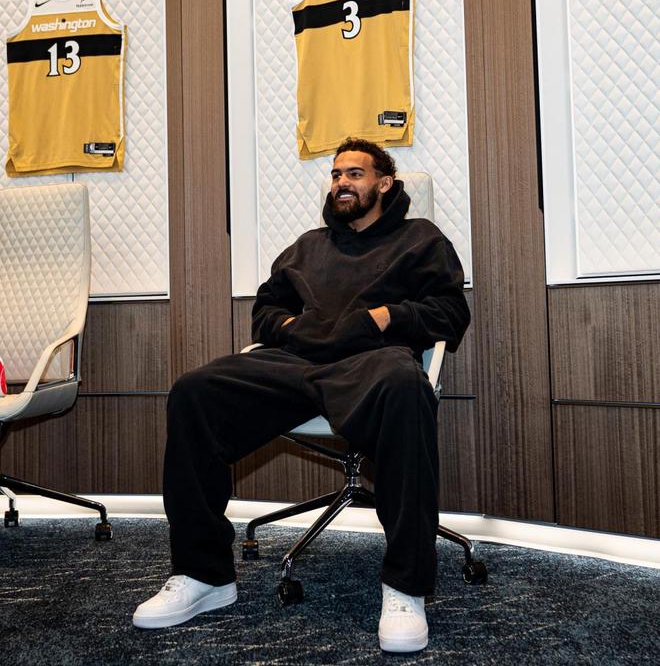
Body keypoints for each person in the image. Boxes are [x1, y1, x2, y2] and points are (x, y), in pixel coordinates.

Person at [133, 137, 470, 653]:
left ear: (385, 183)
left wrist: (383, 318)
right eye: (336, 174)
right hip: (297, 363)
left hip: (371, 363)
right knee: (194, 392)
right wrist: (294, 328)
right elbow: (266, 312)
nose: (341, 182)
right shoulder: (308, 246)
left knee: (408, 389)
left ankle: (406, 585)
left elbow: (450, 313)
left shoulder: (420, 239)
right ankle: (204, 575)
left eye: (354, 173)